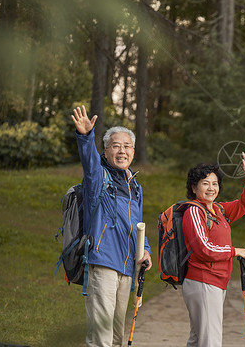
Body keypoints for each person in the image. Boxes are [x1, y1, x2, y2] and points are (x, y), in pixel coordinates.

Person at [71, 105, 152, 347]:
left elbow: (137, 224)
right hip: (103, 262)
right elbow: (89, 162)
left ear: (133, 152)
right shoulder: (98, 179)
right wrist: (86, 138)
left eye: (127, 146)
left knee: (117, 337)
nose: (122, 150)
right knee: (101, 337)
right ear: (105, 152)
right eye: (115, 146)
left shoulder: (135, 187)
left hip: (127, 267)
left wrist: (145, 249)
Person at [181, 152, 245, 347]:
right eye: (205, 183)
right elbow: (203, 248)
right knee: (210, 342)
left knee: (199, 339)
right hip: (203, 281)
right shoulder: (194, 211)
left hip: (213, 283)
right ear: (194, 187)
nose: (211, 188)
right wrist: (234, 251)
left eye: (214, 184)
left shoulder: (218, 210)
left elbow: (244, 204)